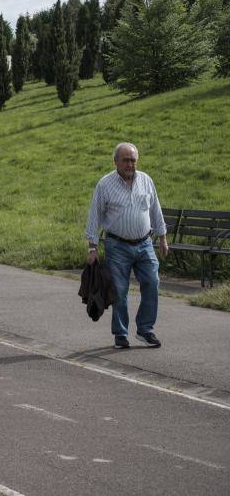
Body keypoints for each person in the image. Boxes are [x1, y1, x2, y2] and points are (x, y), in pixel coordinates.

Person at [86, 142, 168, 349]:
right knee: (120, 291)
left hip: (144, 243)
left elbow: (155, 209)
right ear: (116, 162)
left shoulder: (146, 180)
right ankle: (121, 334)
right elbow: (94, 215)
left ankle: (145, 329)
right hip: (118, 245)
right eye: (125, 160)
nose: (130, 164)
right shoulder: (105, 184)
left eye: (133, 160)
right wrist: (92, 248)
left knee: (152, 282)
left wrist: (162, 237)